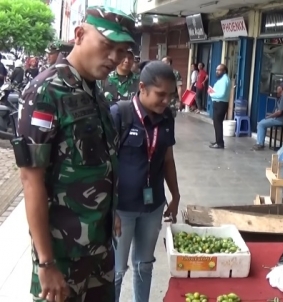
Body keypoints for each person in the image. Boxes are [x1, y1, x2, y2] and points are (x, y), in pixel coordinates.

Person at [15, 5, 136, 302]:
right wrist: (45, 263)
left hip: (99, 247)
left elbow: (100, 162)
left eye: (122, 51)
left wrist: (111, 210)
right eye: (107, 46)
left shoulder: (94, 91)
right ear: (79, 34)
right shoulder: (45, 92)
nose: (114, 58)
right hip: (63, 255)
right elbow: (32, 181)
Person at [110, 60, 180, 302]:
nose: (166, 101)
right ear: (142, 87)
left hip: (153, 206)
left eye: (170, 96)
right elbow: (105, 165)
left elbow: (168, 159)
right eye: (161, 95)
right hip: (122, 209)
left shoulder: (167, 117)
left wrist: (175, 196)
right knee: (116, 271)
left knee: (144, 265)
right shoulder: (120, 114)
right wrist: (111, 209)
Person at [252, 81, 283, 151]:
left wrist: (270, 116)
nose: (277, 88)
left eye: (279, 87)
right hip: (279, 118)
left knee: (261, 124)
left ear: (282, 88)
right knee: (262, 122)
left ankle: (260, 144)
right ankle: (259, 143)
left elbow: (279, 112)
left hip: (281, 120)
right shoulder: (282, 96)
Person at [208, 64, 231, 149]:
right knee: (217, 123)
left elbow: (222, 94)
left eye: (219, 70)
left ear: (224, 71)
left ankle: (220, 143)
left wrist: (212, 94)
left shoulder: (225, 79)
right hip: (219, 103)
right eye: (216, 70)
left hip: (220, 103)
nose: (217, 71)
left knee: (217, 123)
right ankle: (218, 141)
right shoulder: (222, 79)